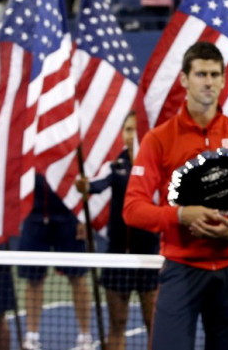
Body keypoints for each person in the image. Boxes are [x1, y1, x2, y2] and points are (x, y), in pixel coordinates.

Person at [123, 41, 228, 349]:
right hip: (182, 268)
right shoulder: (159, 139)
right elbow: (132, 208)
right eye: (200, 74)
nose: (208, 81)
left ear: (222, 80)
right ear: (184, 79)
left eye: (214, 74)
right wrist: (180, 214)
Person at [75, 112, 159, 350]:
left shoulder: (157, 166)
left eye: (136, 129)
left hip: (149, 258)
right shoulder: (114, 166)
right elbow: (96, 185)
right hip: (117, 256)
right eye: (128, 129)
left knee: (153, 323)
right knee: (117, 323)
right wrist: (84, 185)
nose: (132, 135)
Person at [18, 176, 93, 350]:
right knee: (33, 279)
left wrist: (82, 217)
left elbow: (85, 177)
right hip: (34, 217)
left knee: (78, 278)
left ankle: (85, 337)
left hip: (68, 217)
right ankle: (31, 336)